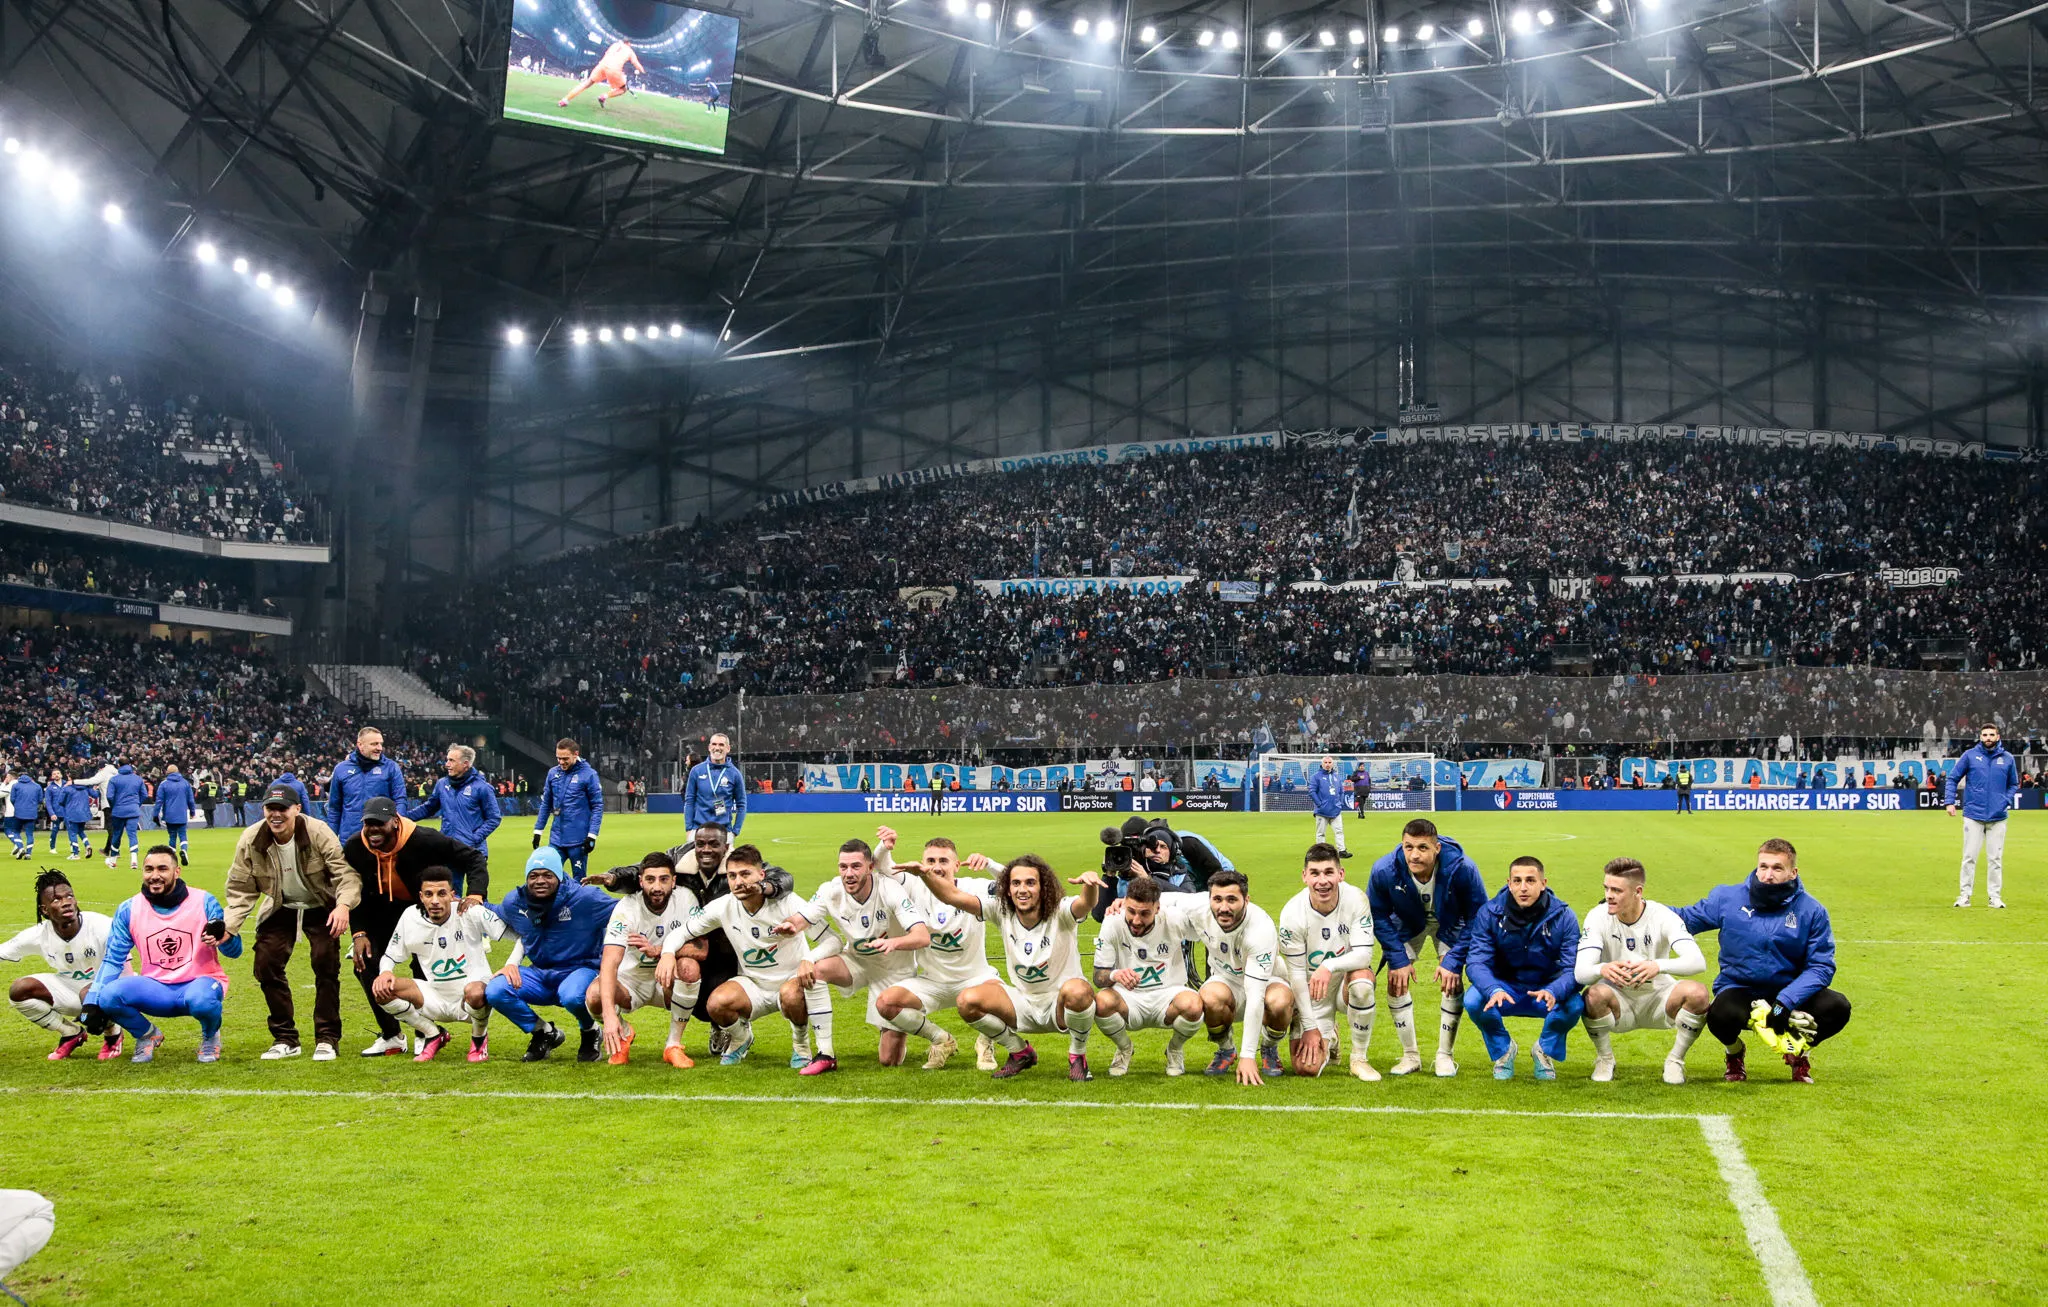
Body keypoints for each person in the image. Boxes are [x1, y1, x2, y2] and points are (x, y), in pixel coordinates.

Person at [1677, 838, 1851, 1084]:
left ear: (1793, 872)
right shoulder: (1728, 898)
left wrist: (1785, 1002)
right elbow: (1685, 919)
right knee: (1719, 1015)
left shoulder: (1812, 910)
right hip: (1741, 989)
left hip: (1790, 992)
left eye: (1777, 868)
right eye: (1763, 867)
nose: (1768, 875)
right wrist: (1637, 908)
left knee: (1837, 1007)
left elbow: (1821, 966)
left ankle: (1798, 1050)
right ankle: (1734, 1052)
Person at [914, 854, 1103, 1080]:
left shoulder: (1060, 911)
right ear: (1008, 888)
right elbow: (952, 896)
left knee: (1079, 990)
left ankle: (1077, 1057)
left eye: (1030, 883)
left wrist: (1090, 885)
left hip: (1059, 1004)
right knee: (967, 1000)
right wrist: (924, 875)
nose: (1022, 889)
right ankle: (1019, 1052)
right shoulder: (1001, 910)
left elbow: (1085, 904)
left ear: (1044, 887)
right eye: (1016, 883)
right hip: (1022, 1003)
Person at [344, 796, 491, 1056]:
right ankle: (391, 1036)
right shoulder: (356, 846)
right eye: (369, 824)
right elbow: (353, 891)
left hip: (422, 912)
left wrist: (476, 893)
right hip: (379, 914)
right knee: (365, 963)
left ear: (395, 822)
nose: (373, 830)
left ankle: (427, 1033)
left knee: (422, 965)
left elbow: (474, 858)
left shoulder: (424, 839)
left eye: (380, 824)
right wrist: (359, 932)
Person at [222, 786, 360, 1062]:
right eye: (270, 808)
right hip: (280, 906)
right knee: (265, 965)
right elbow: (241, 887)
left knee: (326, 964)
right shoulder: (252, 838)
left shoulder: (318, 832)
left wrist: (343, 906)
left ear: (297, 809)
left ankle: (327, 1038)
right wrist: (229, 926)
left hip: (320, 905)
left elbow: (346, 875)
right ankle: (285, 1038)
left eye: (282, 808)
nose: (276, 815)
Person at [777, 833, 932, 1076]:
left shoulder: (889, 889)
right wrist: (791, 927)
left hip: (894, 970)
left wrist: (894, 942)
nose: (849, 873)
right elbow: (801, 918)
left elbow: (922, 936)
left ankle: (894, 1023)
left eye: (856, 866)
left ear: (871, 867)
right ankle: (826, 1054)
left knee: (889, 1060)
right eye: (843, 866)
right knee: (815, 973)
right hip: (857, 961)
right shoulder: (831, 890)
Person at [659, 844, 821, 1068]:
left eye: (745, 874)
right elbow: (682, 932)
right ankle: (741, 1038)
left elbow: (828, 936)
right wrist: (668, 953)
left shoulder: (788, 902)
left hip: (791, 981)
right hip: (753, 983)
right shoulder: (724, 906)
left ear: (761, 875)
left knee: (791, 996)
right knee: (716, 1004)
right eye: (733, 875)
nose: (739, 882)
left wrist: (809, 960)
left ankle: (801, 1046)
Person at [81, 847, 243, 1064]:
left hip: (200, 984)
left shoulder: (204, 901)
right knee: (109, 996)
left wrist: (225, 938)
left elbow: (235, 952)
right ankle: (147, 1035)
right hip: (156, 988)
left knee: (202, 1001)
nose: (154, 875)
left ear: (177, 871)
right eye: (148, 869)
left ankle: (211, 1035)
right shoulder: (129, 909)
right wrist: (92, 1002)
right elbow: (113, 958)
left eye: (162, 869)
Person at [1365, 818, 1488, 1077]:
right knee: (1395, 980)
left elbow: (1479, 915)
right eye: (1409, 847)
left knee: (1452, 980)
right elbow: (1377, 913)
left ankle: (1445, 1055)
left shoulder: (1463, 868)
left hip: (1451, 922)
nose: (1415, 854)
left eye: (1422, 847)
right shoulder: (1385, 870)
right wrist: (1397, 958)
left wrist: (1453, 960)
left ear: (1437, 848)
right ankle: (1410, 1055)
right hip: (1409, 922)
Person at [1574, 856, 1710, 1084]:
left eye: (1617, 890)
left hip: (1659, 999)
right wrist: (1603, 968)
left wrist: (1657, 966)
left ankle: (1675, 1061)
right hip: (1618, 1002)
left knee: (1697, 993)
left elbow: (1698, 962)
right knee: (1593, 994)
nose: (1609, 895)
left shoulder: (1663, 916)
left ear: (1638, 891)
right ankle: (1605, 1059)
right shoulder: (1597, 916)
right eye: (1606, 888)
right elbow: (1581, 973)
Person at [488, 846, 618, 1062]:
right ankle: (543, 1032)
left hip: (581, 970)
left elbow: (627, 912)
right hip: (540, 974)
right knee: (496, 989)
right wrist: (466, 904)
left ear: (559, 876)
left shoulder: (585, 898)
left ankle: (590, 1031)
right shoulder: (515, 902)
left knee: (571, 995)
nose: (540, 880)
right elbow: (493, 911)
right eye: (534, 875)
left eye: (548, 875)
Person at [1462, 855, 1584, 1081]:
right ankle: (1504, 1050)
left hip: (1546, 990)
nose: (1523, 887)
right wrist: (1493, 990)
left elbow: (1574, 969)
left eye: (1530, 880)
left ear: (1543, 883)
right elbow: (1477, 962)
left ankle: (1543, 1050)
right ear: (1508, 883)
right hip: (1504, 989)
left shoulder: (1565, 917)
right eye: (1517, 881)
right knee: (1473, 1000)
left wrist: (1554, 991)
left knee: (1575, 1004)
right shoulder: (1489, 913)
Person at [878, 836, 991, 1071]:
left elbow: (1014, 885)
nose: (937, 866)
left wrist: (989, 863)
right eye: (931, 860)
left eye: (943, 860)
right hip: (932, 981)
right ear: (922, 863)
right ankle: (942, 1040)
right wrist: (885, 847)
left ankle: (986, 1042)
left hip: (975, 980)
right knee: (887, 1003)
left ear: (957, 865)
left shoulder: (975, 887)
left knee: (1012, 1002)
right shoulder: (914, 885)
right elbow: (883, 868)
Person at [371, 866, 506, 1063]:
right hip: (435, 995)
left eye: (441, 893)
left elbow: (514, 933)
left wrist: (510, 965)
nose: (435, 900)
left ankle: (479, 1040)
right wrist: (384, 972)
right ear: (421, 896)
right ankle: (433, 1034)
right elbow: (390, 956)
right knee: (382, 989)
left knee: (475, 991)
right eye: (428, 894)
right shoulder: (410, 916)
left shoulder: (469, 912)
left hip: (472, 997)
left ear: (452, 895)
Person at [1279, 843, 1379, 1081]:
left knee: (1363, 982)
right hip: (1312, 991)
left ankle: (1359, 1059)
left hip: (1342, 983)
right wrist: (1310, 1026)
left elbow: (1364, 956)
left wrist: (1329, 966)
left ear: (1340, 875)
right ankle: (1329, 1035)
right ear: (1304, 876)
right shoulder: (1292, 914)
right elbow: (1295, 976)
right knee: (1306, 1069)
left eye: (1328, 872)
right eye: (1314, 873)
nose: (1322, 881)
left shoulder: (1356, 899)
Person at [1090, 875, 1206, 1079]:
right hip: (1129, 997)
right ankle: (1125, 1049)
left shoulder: (1175, 919)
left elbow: (1206, 915)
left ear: (1157, 908)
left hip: (1169, 994)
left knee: (1194, 1005)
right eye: (1131, 911)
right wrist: (1116, 974)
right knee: (1101, 1002)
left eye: (1144, 914)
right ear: (1124, 903)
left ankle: (1175, 1050)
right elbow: (1099, 976)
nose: (1136, 920)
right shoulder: (1112, 921)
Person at [592, 852, 699, 1067]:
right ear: (640, 881)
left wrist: (662, 951)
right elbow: (610, 961)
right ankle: (623, 1033)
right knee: (594, 995)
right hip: (632, 981)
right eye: (650, 880)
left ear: (674, 881)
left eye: (664, 879)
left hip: (667, 979)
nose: (657, 887)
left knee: (689, 967)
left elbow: (702, 949)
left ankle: (673, 1046)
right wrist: (609, 1017)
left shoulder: (686, 899)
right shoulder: (626, 907)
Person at [4, 869, 120, 1060]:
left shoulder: (102, 925)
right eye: (56, 900)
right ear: (44, 909)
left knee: (88, 993)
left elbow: (125, 966)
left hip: (112, 988)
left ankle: (113, 1033)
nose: (66, 902)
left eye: (69, 896)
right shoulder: (38, 934)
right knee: (19, 989)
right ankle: (70, 1032)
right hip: (72, 990)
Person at [1945, 723, 2019, 909]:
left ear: (1998, 736)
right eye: (1984, 734)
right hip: (1973, 814)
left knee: (1995, 859)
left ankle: (1995, 897)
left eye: (1991, 734)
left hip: (1998, 816)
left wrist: (2005, 801)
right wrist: (1949, 802)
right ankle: (1964, 896)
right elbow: (1953, 778)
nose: (1988, 737)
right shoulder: (1969, 756)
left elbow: (2013, 784)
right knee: (1969, 857)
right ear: (1980, 736)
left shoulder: (2008, 758)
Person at [405, 744, 504, 855]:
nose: (447, 764)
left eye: (451, 760)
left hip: (474, 851)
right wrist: (403, 817)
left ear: (465, 764)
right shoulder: (442, 784)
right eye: (447, 760)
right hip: (449, 848)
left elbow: (494, 818)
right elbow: (428, 808)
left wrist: (474, 838)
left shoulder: (482, 787)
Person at [533, 738, 604, 882]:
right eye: (558, 758)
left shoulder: (589, 775)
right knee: (549, 876)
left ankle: (577, 904)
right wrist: (538, 831)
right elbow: (546, 804)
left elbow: (597, 806)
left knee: (579, 880)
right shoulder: (553, 773)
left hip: (578, 840)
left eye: (565, 758)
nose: (561, 762)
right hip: (556, 838)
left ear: (575, 754)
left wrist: (592, 835)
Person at [326, 728, 406, 842]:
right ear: (360, 745)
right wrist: (331, 838)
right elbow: (334, 808)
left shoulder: (391, 768)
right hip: (350, 839)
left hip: (381, 838)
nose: (379, 748)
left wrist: (398, 829)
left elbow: (400, 800)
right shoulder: (341, 769)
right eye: (374, 744)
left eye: (380, 744)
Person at [683, 732, 747, 835]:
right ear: (709, 747)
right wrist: (689, 829)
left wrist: (735, 832)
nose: (717, 748)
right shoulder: (696, 771)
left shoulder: (735, 774)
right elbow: (689, 801)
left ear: (728, 748)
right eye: (714, 744)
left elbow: (741, 805)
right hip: (698, 831)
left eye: (721, 745)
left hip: (724, 832)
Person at [555, 37, 643, 107]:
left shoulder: (615, 45)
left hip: (602, 65)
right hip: (614, 70)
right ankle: (604, 96)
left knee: (587, 83)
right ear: (629, 44)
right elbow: (636, 64)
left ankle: (565, 100)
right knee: (623, 89)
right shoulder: (629, 51)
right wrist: (642, 71)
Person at [152, 765, 197, 867]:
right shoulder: (185, 783)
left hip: (169, 815)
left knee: (172, 836)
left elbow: (159, 801)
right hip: (181, 814)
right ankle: (184, 850)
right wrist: (192, 812)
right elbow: (191, 799)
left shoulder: (164, 784)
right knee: (183, 834)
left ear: (167, 773)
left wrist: (155, 815)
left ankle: (172, 858)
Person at [1309, 755, 1352, 858]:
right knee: (1321, 833)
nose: (1327, 764)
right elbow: (1312, 791)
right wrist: (1319, 804)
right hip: (1322, 811)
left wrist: (1339, 803)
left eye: (1329, 762)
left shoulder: (1336, 776)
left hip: (1335, 810)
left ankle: (1342, 851)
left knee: (1339, 831)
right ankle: (1320, 853)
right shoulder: (1316, 777)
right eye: (1325, 762)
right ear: (1322, 764)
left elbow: (1341, 791)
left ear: (1332, 764)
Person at [5, 770, 40, 860]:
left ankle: (20, 847)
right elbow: (40, 800)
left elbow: (12, 799)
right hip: (31, 813)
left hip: (18, 813)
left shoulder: (16, 785)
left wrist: (18, 806)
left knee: (16, 832)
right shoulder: (37, 786)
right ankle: (28, 854)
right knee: (29, 834)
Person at [58, 775, 92, 861]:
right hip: (84, 813)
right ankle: (87, 845)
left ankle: (75, 853)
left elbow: (60, 801)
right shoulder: (85, 788)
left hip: (72, 813)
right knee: (80, 831)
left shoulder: (67, 788)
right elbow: (94, 794)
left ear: (70, 778)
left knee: (72, 833)